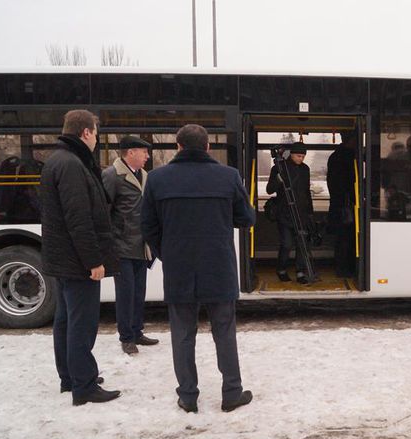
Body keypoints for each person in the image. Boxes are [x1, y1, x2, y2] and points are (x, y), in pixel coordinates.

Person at [141, 124, 256, 413]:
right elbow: (247, 219)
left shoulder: (156, 179)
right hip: (219, 266)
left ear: (178, 146)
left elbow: (148, 227)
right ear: (207, 147)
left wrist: (167, 253)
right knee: (224, 332)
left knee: (182, 334)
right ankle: (231, 393)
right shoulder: (228, 176)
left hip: (179, 268)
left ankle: (188, 396)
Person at [39, 109, 121, 405]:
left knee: (65, 320)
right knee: (82, 324)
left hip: (63, 259)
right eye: (96, 133)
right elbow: (79, 219)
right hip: (77, 262)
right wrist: (93, 261)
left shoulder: (58, 160)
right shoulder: (72, 164)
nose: (97, 139)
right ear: (85, 132)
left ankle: (70, 377)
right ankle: (84, 386)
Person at [102, 135, 159, 355]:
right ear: (131, 153)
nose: (147, 156)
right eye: (144, 152)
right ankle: (126, 337)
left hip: (141, 245)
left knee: (138, 292)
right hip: (121, 246)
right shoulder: (112, 175)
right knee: (125, 294)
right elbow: (104, 212)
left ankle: (137, 331)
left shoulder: (143, 175)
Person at [267, 142, 314, 284]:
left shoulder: (305, 169)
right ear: (291, 154)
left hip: (301, 213)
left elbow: (306, 192)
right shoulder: (279, 168)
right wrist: (278, 180)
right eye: (299, 156)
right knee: (287, 244)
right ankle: (281, 269)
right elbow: (269, 189)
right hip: (284, 212)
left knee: (301, 243)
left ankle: (300, 272)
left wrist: (310, 212)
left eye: (303, 156)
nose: (301, 159)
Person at [326, 131, 357, 277]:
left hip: (339, 204)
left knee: (342, 238)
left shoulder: (335, 156)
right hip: (346, 205)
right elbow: (348, 182)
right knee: (347, 238)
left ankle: (342, 267)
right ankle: (346, 268)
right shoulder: (347, 157)